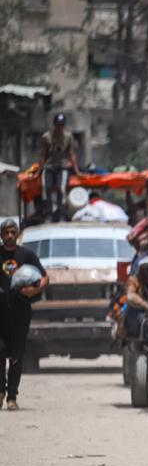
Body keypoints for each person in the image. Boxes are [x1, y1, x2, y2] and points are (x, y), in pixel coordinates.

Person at [0, 219, 49, 410]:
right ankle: (1, 391)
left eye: (13, 232)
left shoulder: (27, 254)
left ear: (18, 234)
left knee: (17, 355)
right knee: (0, 351)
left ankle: (12, 396)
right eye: (6, 233)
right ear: (1, 235)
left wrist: (35, 291)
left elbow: (45, 277)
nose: (10, 236)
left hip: (20, 312)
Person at [37, 113, 80, 223]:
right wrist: (39, 170)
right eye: (57, 125)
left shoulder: (68, 136)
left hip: (63, 166)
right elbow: (43, 154)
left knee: (61, 188)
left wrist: (77, 171)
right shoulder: (46, 137)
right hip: (49, 166)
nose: (59, 128)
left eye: (61, 125)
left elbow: (71, 153)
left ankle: (61, 214)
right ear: (54, 125)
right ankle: (48, 214)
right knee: (46, 188)